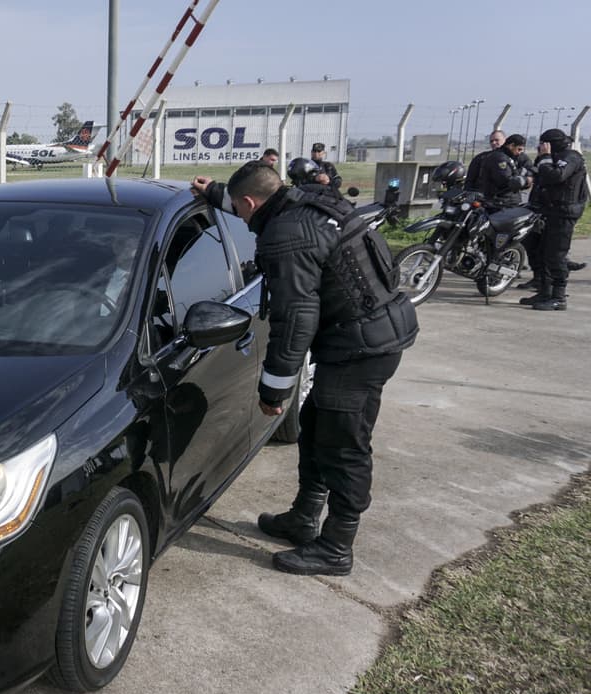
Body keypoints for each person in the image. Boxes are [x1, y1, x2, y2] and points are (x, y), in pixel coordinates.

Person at [191, 161, 418, 576]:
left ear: (250, 202)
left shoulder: (286, 236)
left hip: (360, 348)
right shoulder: (304, 198)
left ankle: (336, 546)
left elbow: (295, 320)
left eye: (240, 210)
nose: (242, 219)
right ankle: (303, 517)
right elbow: (254, 200)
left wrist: (273, 390)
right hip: (365, 334)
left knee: (345, 445)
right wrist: (213, 194)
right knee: (315, 426)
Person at [527, 129, 588, 311]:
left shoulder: (571, 157)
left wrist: (545, 158)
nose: (541, 147)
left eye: (544, 144)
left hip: (564, 213)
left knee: (556, 255)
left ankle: (559, 297)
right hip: (550, 211)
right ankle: (546, 292)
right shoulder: (552, 157)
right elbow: (540, 177)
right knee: (543, 252)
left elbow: (556, 175)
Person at [466, 132, 526, 208]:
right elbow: (470, 179)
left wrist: (525, 179)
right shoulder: (481, 158)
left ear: (505, 141)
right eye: (491, 141)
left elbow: (530, 168)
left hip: (510, 200)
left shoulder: (519, 155)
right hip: (490, 200)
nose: (494, 143)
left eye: (497, 140)